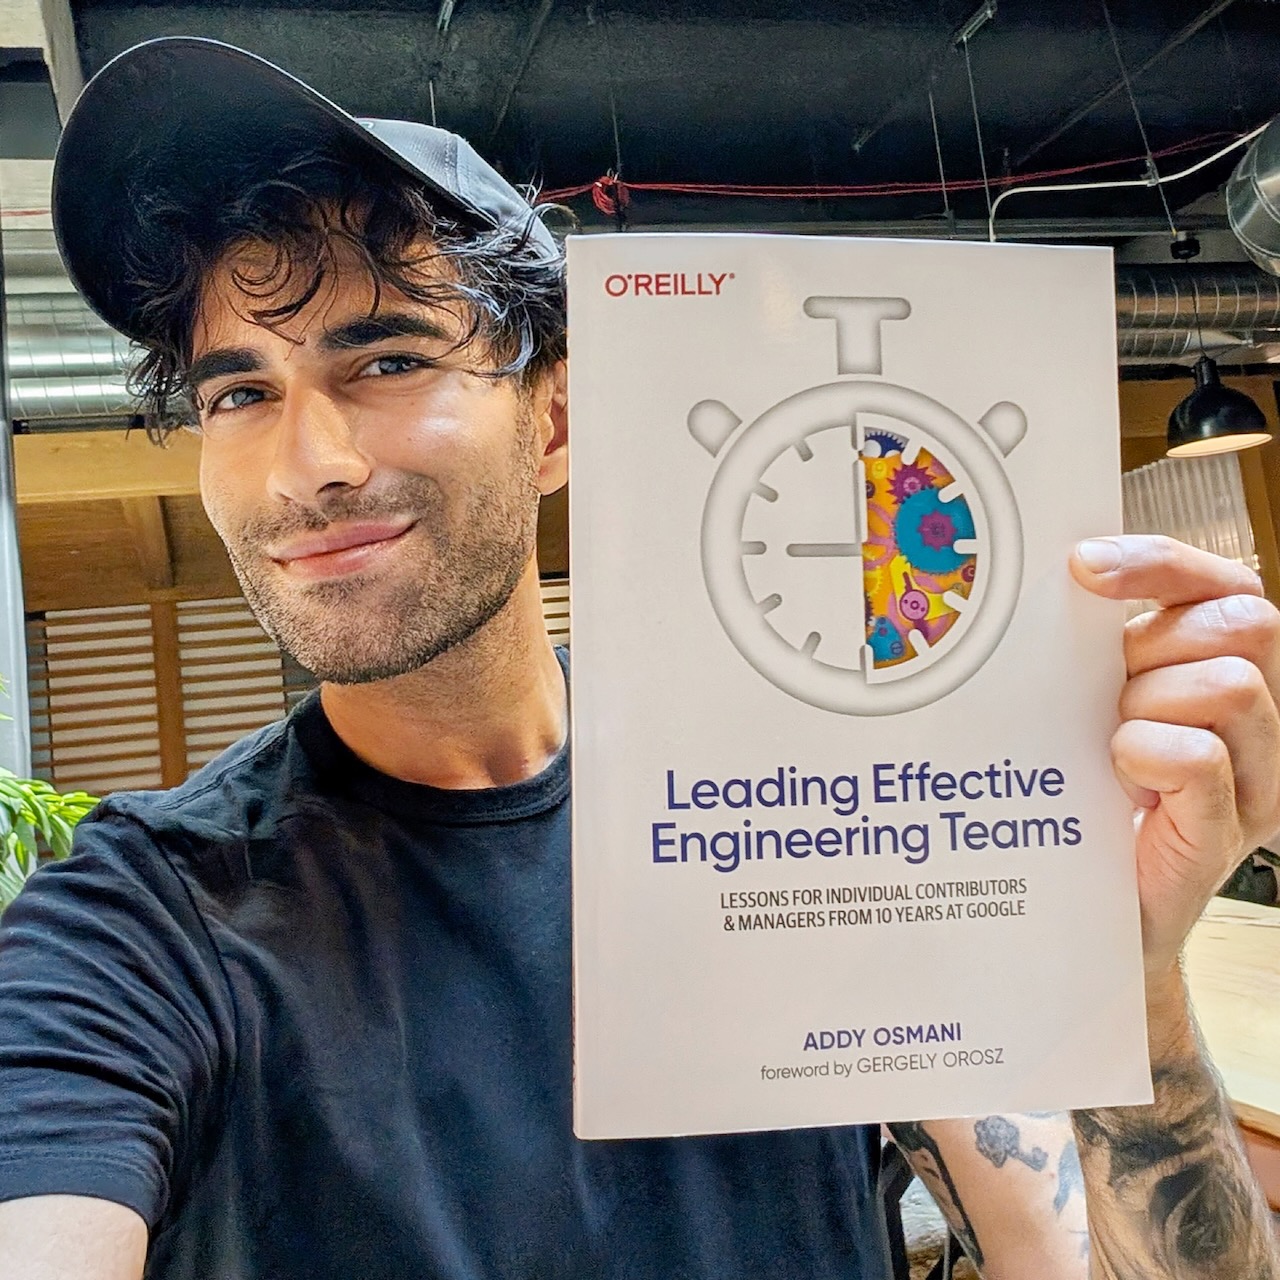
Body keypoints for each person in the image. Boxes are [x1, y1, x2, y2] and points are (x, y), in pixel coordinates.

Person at [0, 35, 1277, 1280]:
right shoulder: (136, 929)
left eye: (387, 359)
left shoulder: (812, 807)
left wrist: (1126, 985)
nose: (309, 462)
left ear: (553, 420)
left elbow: (1068, 1255)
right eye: (239, 392)